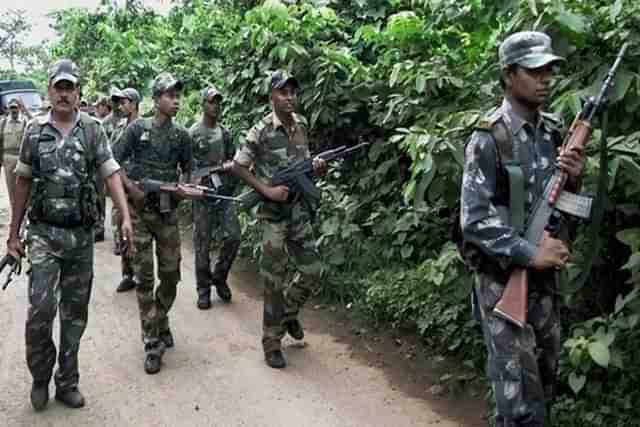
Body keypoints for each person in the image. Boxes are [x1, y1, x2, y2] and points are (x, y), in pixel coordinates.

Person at [459, 32, 586, 427]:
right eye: (534, 71)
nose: (545, 79)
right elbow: (475, 218)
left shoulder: (552, 131)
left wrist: (576, 180)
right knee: (519, 401)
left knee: (543, 384)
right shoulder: (488, 136)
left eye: (549, 70)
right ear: (508, 75)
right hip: (502, 282)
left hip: (544, 284)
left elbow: (560, 205)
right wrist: (530, 253)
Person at [6, 59, 134, 411]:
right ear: (50, 90)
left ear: (78, 93)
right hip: (44, 235)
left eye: (70, 88)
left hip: (80, 238)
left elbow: (111, 173)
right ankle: (39, 377)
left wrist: (124, 217)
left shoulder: (92, 129)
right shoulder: (34, 131)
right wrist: (13, 234)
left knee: (75, 315)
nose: (64, 94)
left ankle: (67, 381)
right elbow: (23, 182)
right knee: (41, 311)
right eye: (59, 87)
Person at [232, 70, 326, 369]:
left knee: (312, 270)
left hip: (298, 211)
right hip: (273, 216)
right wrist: (267, 191)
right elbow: (239, 165)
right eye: (283, 93)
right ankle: (271, 342)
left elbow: (304, 163)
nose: (289, 98)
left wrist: (316, 168)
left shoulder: (302, 125)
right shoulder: (260, 131)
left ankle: (288, 313)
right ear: (272, 96)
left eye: (292, 93)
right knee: (273, 280)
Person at [114, 72, 192, 374]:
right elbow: (111, 161)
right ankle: (152, 342)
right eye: (170, 96)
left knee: (171, 275)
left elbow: (190, 172)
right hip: (139, 214)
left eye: (177, 96)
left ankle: (159, 320)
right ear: (157, 99)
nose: (176, 101)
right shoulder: (137, 129)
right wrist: (131, 189)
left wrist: (184, 189)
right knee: (145, 278)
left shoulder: (181, 136)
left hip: (167, 213)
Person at [190, 86, 241, 309]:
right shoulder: (192, 134)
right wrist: (194, 182)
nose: (216, 106)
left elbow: (235, 163)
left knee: (234, 236)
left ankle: (219, 277)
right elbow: (185, 167)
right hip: (202, 195)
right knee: (202, 243)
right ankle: (203, 288)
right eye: (211, 101)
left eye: (218, 102)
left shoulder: (226, 133)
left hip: (224, 194)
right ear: (203, 104)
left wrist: (230, 171)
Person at [110, 87, 142, 292]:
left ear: (134, 103)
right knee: (122, 227)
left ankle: (142, 274)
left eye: (125, 102)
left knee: (141, 233)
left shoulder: (145, 126)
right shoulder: (119, 127)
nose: (121, 106)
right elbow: (112, 156)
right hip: (122, 185)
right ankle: (127, 273)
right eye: (120, 103)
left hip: (141, 186)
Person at [0, 98, 29, 207]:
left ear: (19, 109)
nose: (14, 110)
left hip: (21, 158)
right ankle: (14, 216)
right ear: (8, 109)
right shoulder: (3, 123)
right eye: (11, 108)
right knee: (11, 189)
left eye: (15, 108)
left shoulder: (25, 121)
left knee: (23, 188)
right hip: (7, 158)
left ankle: (24, 215)